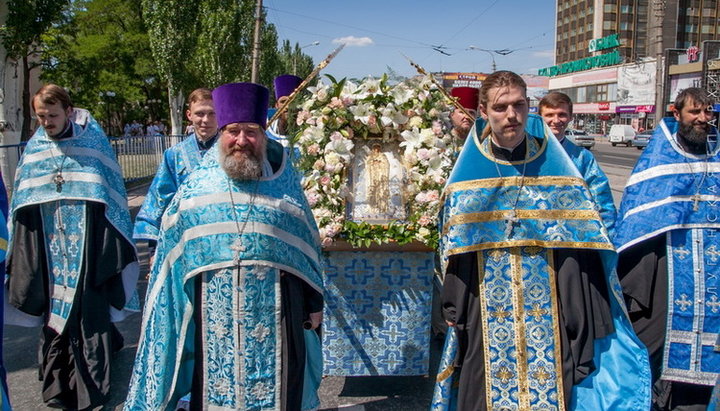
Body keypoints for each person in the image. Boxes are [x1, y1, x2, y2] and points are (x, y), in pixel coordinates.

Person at [431, 71, 650, 410]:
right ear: (485, 111)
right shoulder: (468, 174)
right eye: (501, 107)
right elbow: (453, 251)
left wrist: (578, 312)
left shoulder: (556, 168)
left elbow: (582, 243)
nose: (511, 115)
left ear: (528, 106)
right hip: (483, 305)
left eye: (519, 104)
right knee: (480, 390)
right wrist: (451, 307)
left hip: (551, 305)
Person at [125, 82, 324, 410]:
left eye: (251, 131)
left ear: (263, 136)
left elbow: (308, 253)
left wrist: (314, 303)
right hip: (212, 321)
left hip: (282, 314)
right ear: (221, 134)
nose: (242, 141)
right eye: (233, 131)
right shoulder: (195, 191)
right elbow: (171, 264)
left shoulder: (284, 186)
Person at [3, 84, 139, 409]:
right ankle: (58, 384)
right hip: (50, 252)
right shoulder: (35, 150)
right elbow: (23, 201)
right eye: (41, 117)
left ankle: (90, 385)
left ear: (68, 111)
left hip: (89, 250)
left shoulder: (92, 143)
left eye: (52, 115)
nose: (47, 122)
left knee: (88, 312)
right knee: (55, 314)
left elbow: (111, 195)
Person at [615, 87, 720, 410]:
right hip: (664, 271)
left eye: (708, 113)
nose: (703, 119)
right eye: (695, 112)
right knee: (650, 352)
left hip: (713, 273)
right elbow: (636, 219)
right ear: (677, 114)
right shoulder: (659, 155)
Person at [133, 88, 218, 245]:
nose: (205, 120)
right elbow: (159, 200)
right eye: (200, 113)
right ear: (189, 115)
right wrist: (154, 249)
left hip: (224, 239)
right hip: (185, 241)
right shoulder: (174, 155)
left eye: (212, 113)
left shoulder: (232, 152)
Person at [539, 91, 616, 235]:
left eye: (561, 114)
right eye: (549, 115)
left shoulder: (583, 158)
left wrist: (608, 239)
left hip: (572, 237)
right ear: (540, 118)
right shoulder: (526, 154)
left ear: (570, 118)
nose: (556, 120)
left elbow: (602, 201)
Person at [267, 74, 302, 148]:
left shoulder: (307, 133)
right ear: (276, 105)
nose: (288, 107)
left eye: (292, 101)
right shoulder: (266, 133)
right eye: (283, 102)